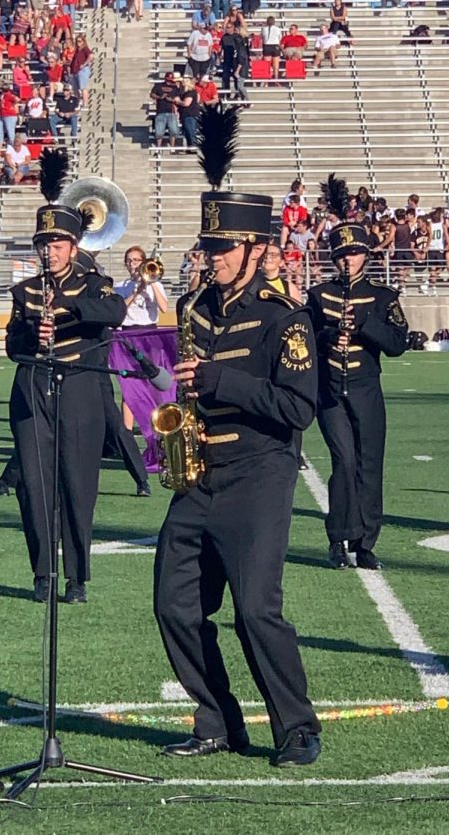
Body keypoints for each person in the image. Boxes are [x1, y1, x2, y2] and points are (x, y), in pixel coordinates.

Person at [154, 109, 322, 766]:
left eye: (222, 248)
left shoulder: (287, 319)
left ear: (256, 251)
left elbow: (297, 408)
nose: (212, 258)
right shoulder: (193, 308)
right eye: (208, 248)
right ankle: (217, 720)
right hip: (199, 475)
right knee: (172, 604)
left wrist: (220, 381)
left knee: (256, 610)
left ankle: (296, 726)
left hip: (258, 475)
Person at [6, 150, 127, 603]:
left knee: (78, 485)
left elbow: (113, 312)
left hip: (78, 386)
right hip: (33, 387)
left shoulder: (93, 284)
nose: (48, 251)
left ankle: (76, 576)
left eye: (57, 245)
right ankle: (42, 573)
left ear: (74, 248)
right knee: (34, 487)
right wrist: (30, 337)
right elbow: (12, 346)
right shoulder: (25, 290)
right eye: (43, 244)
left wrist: (69, 309)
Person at [307, 182, 408, 570]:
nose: (348, 259)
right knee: (343, 463)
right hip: (330, 391)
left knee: (369, 465)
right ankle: (338, 538)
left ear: (365, 255)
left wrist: (364, 323)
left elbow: (398, 343)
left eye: (354, 252)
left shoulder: (383, 297)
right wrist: (331, 335)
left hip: (367, 389)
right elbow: (306, 340)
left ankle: (366, 543)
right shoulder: (319, 296)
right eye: (343, 254)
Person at [150, 71, 180, 149]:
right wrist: (160, 97)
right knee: (159, 131)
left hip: (171, 111)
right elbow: (152, 94)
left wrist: (172, 100)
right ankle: (159, 147)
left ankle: (172, 147)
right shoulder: (158, 85)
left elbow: (178, 99)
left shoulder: (175, 87)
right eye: (168, 79)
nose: (169, 81)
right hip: (160, 111)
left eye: (170, 79)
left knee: (173, 131)